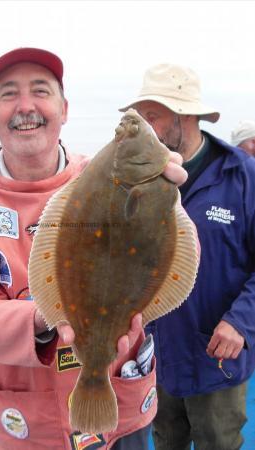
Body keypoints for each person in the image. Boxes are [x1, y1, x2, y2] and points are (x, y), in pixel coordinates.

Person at [0, 48, 187, 450]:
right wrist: (46, 315)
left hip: (125, 405)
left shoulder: (96, 174)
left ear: (64, 109)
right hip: (29, 425)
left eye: (41, 91)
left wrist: (167, 196)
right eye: (9, 94)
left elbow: (168, 257)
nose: (26, 106)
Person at [120, 63, 255, 450]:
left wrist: (242, 323)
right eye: (141, 118)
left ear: (186, 115)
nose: (144, 128)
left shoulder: (244, 175)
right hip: (156, 357)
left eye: (152, 117)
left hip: (218, 359)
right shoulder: (137, 181)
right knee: (165, 441)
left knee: (218, 442)